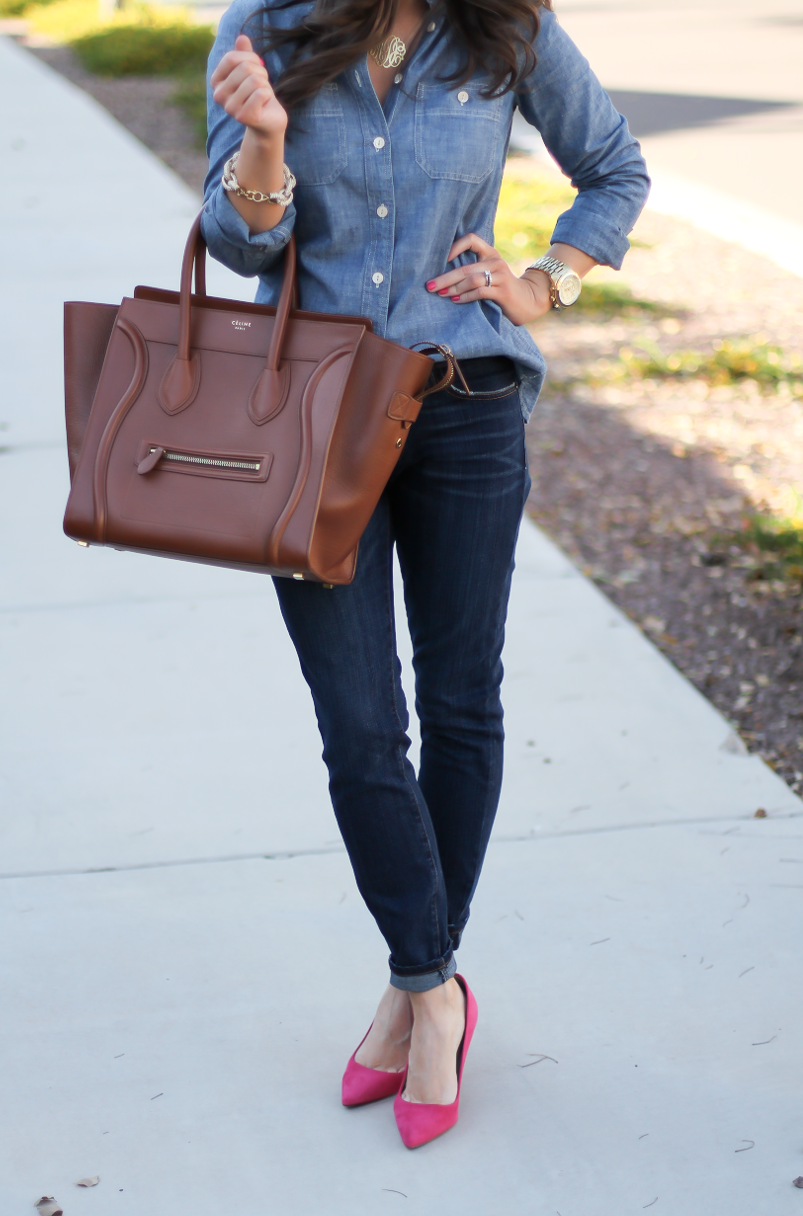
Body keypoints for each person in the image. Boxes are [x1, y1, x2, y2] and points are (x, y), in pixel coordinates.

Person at [202, 0, 649, 1147]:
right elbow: (241, 244)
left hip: (467, 406)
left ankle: (416, 995)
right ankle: (433, 982)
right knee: (358, 724)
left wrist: (542, 283)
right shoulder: (267, 25)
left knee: (460, 704)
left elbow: (612, 170)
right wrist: (261, 140)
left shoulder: (505, 28)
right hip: (314, 420)